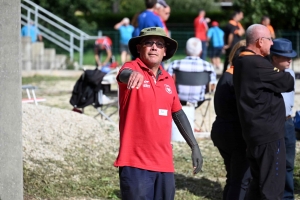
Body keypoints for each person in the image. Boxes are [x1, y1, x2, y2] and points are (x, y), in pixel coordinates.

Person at [114, 27, 203, 200]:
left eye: (159, 44)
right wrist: (132, 74)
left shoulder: (168, 79)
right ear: (139, 48)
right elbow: (123, 74)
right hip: (135, 163)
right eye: (149, 42)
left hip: (164, 164)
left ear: (164, 52)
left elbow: (178, 113)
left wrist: (194, 145)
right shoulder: (132, 67)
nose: (154, 47)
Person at [232, 24, 294, 199]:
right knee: (272, 188)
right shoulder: (256, 64)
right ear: (260, 42)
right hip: (269, 137)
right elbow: (287, 82)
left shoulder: (242, 61)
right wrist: (280, 69)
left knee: (257, 185)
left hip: (255, 134)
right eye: (269, 39)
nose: (272, 43)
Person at [211, 39, 252, 200]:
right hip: (234, 134)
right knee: (241, 180)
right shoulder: (235, 79)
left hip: (223, 131)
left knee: (233, 178)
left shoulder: (228, 75)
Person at [269, 38, 297, 200]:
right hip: (272, 123)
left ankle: (287, 196)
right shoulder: (266, 75)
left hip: (287, 122)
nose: (290, 60)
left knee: (288, 163)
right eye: (285, 56)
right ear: (274, 57)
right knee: (272, 162)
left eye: (290, 56)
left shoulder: (290, 73)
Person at [167, 37, 217, 108]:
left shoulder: (174, 65)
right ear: (201, 52)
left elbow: (167, 84)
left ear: (185, 50)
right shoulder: (208, 67)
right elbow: (212, 88)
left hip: (178, 100)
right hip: (199, 101)